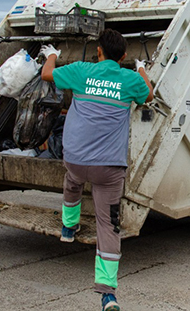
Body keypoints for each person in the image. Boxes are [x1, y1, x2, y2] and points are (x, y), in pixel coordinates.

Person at [40, 28, 153, 311]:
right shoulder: (129, 80)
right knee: (108, 224)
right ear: (124, 57)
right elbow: (148, 95)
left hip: (76, 160)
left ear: (98, 52)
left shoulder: (80, 71)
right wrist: (141, 70)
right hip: (109, 168)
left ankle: (68, 227)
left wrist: (52, 55)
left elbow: (46, 75)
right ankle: (108, 294)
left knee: (72, 183)